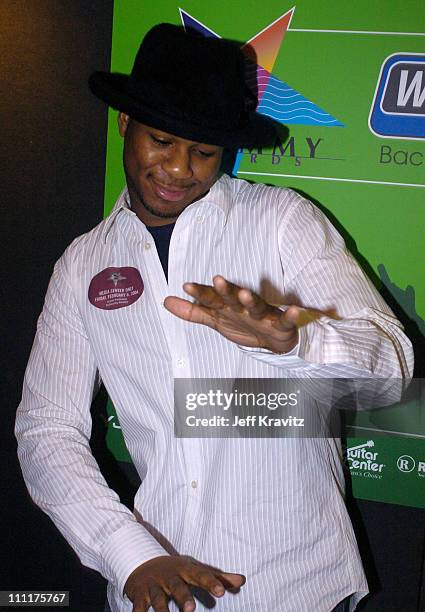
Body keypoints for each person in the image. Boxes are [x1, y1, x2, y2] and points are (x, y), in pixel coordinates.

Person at [16, 23, 413, 612]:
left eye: (203, 152)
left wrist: (295, 341)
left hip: (296, 586)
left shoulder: (281, 222)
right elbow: (47, 430)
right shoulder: (81, 265)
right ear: (125, 122)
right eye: (161, 141)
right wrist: (131, 555)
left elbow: (392, 371)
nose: (179, 169)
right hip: (155, 591)